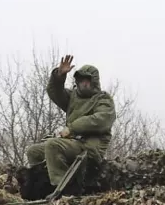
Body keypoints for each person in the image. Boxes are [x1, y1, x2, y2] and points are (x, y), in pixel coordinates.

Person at [26, 55, 117, 186]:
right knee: (33, 151)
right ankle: (43, 186)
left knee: (53, 145)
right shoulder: (74, 97)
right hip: (72, 144)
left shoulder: (103, 99)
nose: (83, 83)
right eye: (81, 80)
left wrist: (72, 128)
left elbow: (101, 120)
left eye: (87, 80)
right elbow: (55, 93)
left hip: (89, 148)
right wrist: (59, 76)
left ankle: (65, 187)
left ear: (94, 81)